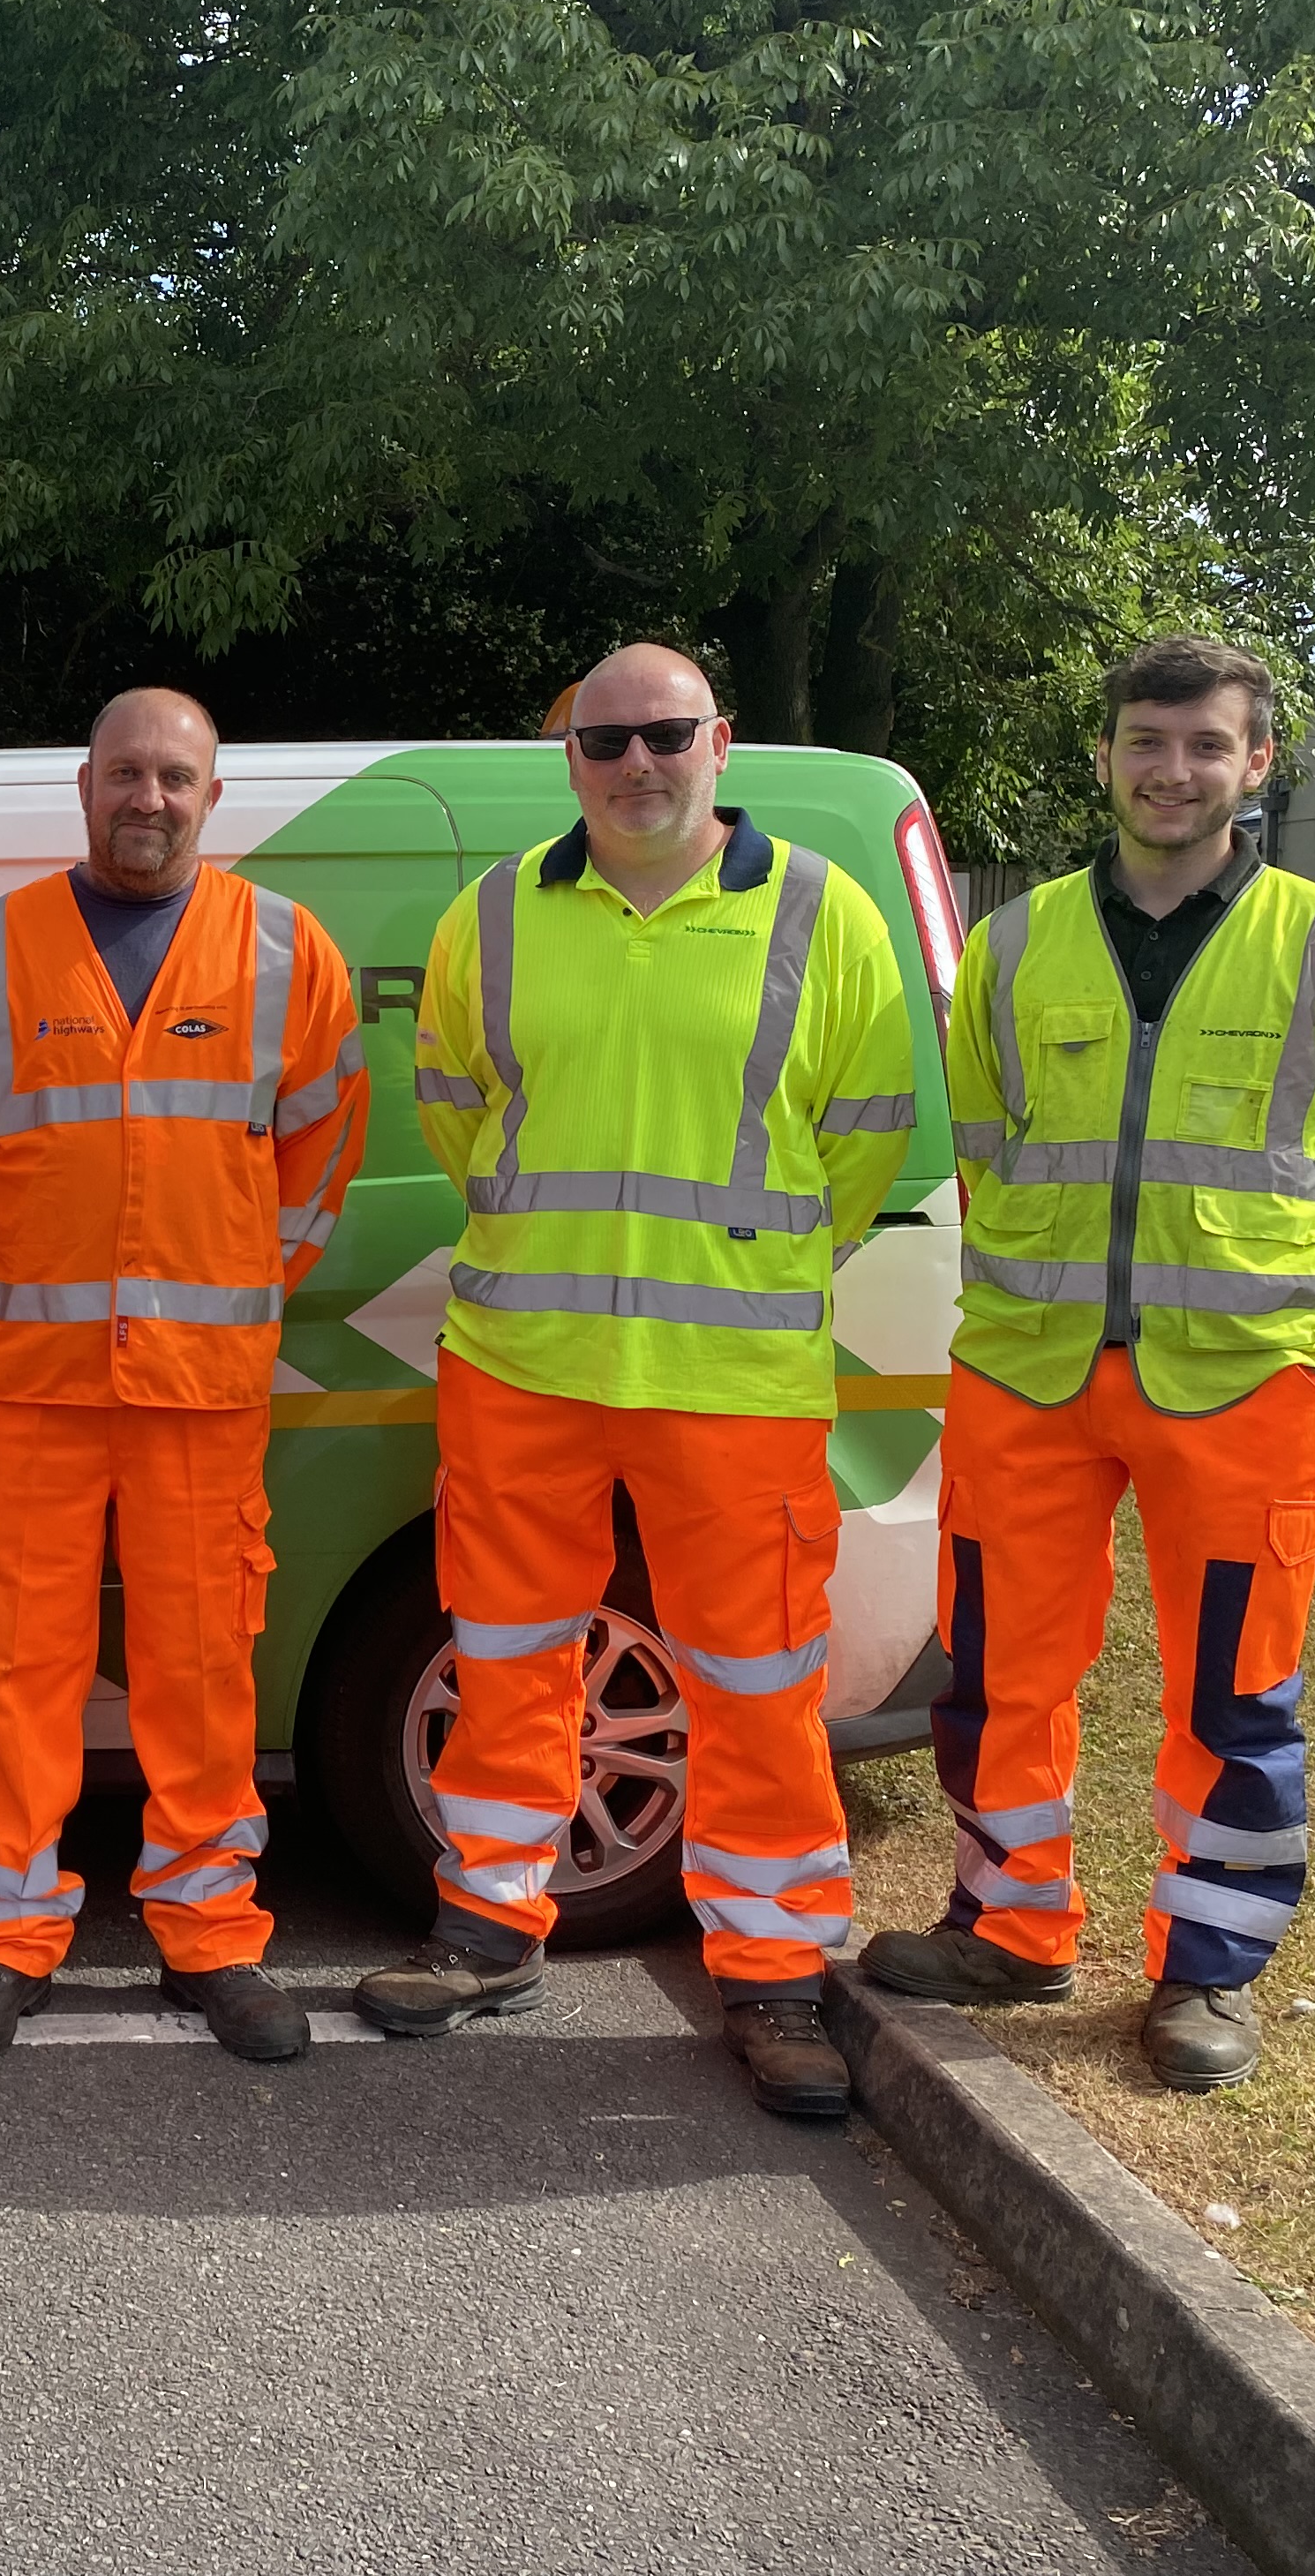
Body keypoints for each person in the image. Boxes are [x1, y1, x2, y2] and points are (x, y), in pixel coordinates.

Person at [860, 635, 1315, 2092]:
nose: (1170, 770)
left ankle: (1205, 1972)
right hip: (1027, 1370)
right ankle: (1009, 1923)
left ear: (1256, 766)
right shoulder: (1014, 942)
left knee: (1235, 1693)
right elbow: (984, 1148)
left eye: (1203, 746)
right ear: (1108, 757)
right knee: (997, 1673)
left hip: (1243, 1383)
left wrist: (1275, 1304)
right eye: (1145, 742)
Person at [359, 641, 916, 2122]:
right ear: (571, 760)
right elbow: (457, 1105)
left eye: (665, 735)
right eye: (606, 743)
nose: (637, 765)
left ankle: (777, 1978)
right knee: (508, 1660)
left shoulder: (823, 913)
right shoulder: (496, 913)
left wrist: (744, 1260)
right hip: (525, 1365)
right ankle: (489, 1926)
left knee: (752, 1686)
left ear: (719, 743)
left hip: (734, 1377)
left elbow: (864, 1139)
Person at [0, 687, 367, 2064]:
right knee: (18, 1668)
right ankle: (9, 1934)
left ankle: (211, 1933)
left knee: (201, 1668)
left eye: (175, 776)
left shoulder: (287, 953)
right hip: (30, 1387)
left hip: (200, 1391)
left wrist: (230, 1297)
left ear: (213, 797)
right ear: (83, 784)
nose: (147, 798)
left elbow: (322, 1155)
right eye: (124, 774)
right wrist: (15, 1291)